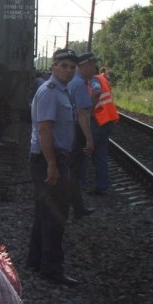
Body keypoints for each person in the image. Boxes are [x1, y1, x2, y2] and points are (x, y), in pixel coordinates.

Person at [27, 48, 90, 287]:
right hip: (49, 159)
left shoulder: (61, 91)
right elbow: (44, 129)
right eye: (64, 66)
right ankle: (52, 268)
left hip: (51, 158)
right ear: (53, 67)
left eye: (72, 67)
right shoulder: (50, 93)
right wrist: (52, 164)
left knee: (44, 213)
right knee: (56, 215)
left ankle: (35, 261)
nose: (68, 70)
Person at [81, 53, 119, 195]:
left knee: (85, 151)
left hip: (97, 120)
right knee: (101, 154)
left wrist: (89, 110)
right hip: (107, 120)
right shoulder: (103, 79)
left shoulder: (94, 80)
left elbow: (96, 93)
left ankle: (80, 186)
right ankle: (102, 186)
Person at [65, 56, 96, 218]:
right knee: (74, 172)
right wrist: (89, 139)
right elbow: (83, 114)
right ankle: (76, 209)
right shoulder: (80, 84)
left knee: (69, 169)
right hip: (77, 132)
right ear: (84, 66)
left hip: (68, 130)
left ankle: (75, 207)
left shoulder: (69, 81)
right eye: (92, 66)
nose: (94, 69)